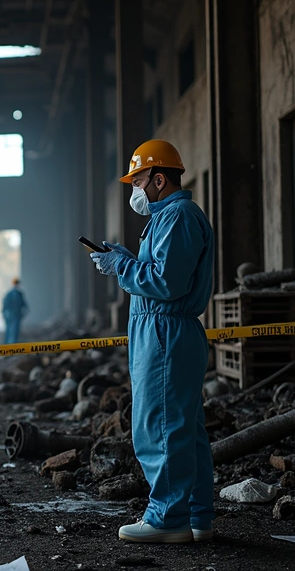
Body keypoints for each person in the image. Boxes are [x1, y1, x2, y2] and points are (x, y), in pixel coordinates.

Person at [90, 139, 215, 544]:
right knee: (184, 429)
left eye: (138, 181)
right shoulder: (167, 218)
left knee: (160, 427)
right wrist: (127, 259)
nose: (135, 192)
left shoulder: (177, 217)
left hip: (165, 332)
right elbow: (160, 271)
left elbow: (165, 282)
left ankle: (167, 519)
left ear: (159, 179)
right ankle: (195, 516)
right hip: (165, 331)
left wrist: (122, 265)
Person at [1, 278, 28, 343]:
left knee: (14, 330)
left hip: (16, 315)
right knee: (10, 330)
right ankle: (8, 344)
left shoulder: (18, 294)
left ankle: (12, 344)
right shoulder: (12, 294)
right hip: (11, 315)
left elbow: (24, 304)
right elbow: (5, 304)